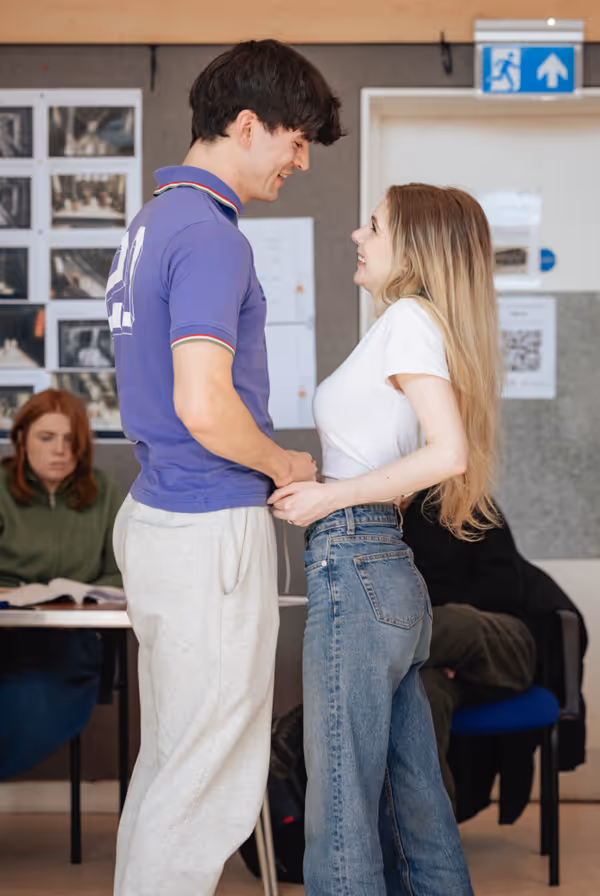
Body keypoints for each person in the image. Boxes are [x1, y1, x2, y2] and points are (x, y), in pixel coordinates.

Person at [105, 40, 342, 896]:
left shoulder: (153, 221)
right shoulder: (211, 238)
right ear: (248, 124)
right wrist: (284, 463)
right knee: (206, 779)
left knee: (173, 762)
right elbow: (205, 405)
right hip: (208, 525)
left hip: (161, 516)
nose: (299, 161)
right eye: (296, 139)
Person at [270, 183, 504, 895]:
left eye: (373, 225)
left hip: (357, 565)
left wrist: (330, 497)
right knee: (415, 806)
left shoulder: (407, 320)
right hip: (383, 568)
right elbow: (406, 466)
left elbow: (448, 455)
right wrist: (338, 483)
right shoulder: (419, 326)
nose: (357, 235)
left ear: (413, 248)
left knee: (340, 803)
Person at [402, 489, 587, 824]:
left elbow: (501, 590)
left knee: (450, 621)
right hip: (432, 663)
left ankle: (307, 721)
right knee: (423, 696)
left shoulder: (469, 504)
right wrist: (435, 657)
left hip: (502, 648)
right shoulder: (377, 528)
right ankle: (431, 842)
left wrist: (447, 650)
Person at [0, 389, 123, 779]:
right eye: (46, 437)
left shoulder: (103, 492)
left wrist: (77, 600)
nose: (60, 450)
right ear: (20, 439)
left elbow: (122, 571)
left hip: (70, 645)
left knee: (26, 701)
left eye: (72, 439)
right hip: (5, 639)